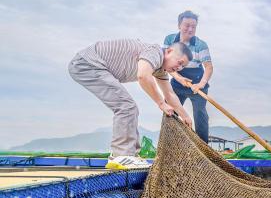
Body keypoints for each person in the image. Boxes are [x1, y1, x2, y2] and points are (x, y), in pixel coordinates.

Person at [68, 39, 193, 169]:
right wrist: (161, 103)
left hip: (93, 65)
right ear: (169, 51)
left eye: (182, 67)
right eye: (180, 62)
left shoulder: (159, 70)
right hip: (88, 63)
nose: (179, 68)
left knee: (129, 107)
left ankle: (129, 155)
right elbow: (143, 76)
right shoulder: (155, 52)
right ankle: (122, 155)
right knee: (127, 107)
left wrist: (185, 116)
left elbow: (170, 94)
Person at [164, 10, 213, 143]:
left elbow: (208, 67)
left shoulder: (201, 45)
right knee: (169, 110)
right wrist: (179, 78)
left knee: (200, 114)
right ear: (179, 25)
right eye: (187, 25)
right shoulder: (169, 39)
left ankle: (203, 147)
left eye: (193, 26)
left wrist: (201, 85)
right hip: (177, 80)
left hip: (197, 83)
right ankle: (170, 144)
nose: (190, 29)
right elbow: (166, 63)